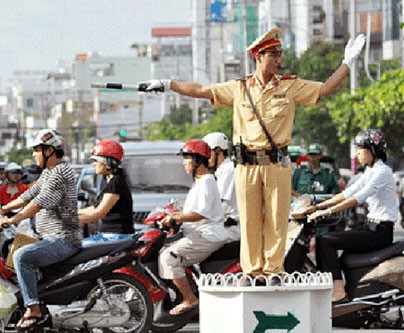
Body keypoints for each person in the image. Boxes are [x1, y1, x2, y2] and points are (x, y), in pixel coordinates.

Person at [142, 28, 366, 279]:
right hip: (246, 165)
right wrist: (169, 85)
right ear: (258, 56)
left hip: (276, 164)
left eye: (279, 54)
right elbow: (202, 90)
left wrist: (347, 63)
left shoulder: (290, 86)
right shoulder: (239, 88)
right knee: (248, 220)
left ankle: (273, 270)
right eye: (273, 54)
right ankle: (252, 271)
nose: (278, 60)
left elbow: (324, 89)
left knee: (277, 219)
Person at [0, 129, 81, 330]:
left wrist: (11, 219)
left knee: (22, 257)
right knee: (13, 252)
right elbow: (29, 194)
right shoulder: (49, 172)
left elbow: (38, 203)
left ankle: (33, 307)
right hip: (48, 236)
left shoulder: (60, 172)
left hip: (63, 238)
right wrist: (5, 207)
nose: (34, 155)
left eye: (36, 150)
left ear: (49, 150)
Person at [307, 129, 398, 303]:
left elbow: (358, 198)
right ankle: (340, 288)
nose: (357, 154)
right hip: (371, 227)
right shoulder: (370, 171)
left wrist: (327, 212)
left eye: (360, 149)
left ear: (372, 150)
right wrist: (317, 206)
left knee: (326, 241)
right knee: (334, 248)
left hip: (380, 232)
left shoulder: (382, 172)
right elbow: (348, 192)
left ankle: (338, 292)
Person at [158, 139, 227, 316]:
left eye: (187, 158)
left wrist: (176, 217)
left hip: (207, 235)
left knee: (169, 257)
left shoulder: (206, 181)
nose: (184, 163)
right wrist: (175, 211)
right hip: (199, 233)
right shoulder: (200, 182)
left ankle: (189, 298)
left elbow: (201, 214)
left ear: (197, 161)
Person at [78, 139, 134, 246]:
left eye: (96, 161)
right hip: (107, 235)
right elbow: (95, 207)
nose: (94, 165)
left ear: (107, 162)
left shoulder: (116, 183)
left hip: (116, 237)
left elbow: (99, 212)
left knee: (78, 249)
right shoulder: (109, 180)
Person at [202, 132, 240, 242]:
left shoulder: (228, 169)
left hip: (232, 228)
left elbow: (220, 204)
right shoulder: (219, 172)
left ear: (218, 150)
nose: (205, 158)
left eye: (207, 153)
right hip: (223, 226)